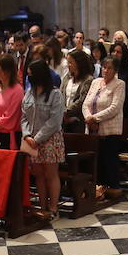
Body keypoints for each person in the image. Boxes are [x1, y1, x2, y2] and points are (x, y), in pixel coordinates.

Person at [21, 59, 66, 219]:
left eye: (31, 75)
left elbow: (54, 121)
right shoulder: (29, 93)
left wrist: (38, 138)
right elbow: (24, 116)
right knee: (38, 174)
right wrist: (26, 135)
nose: (29, 77)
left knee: (50, 174)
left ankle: (53, 207)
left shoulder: (55, 94)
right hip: (31, 140)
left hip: (50, 140)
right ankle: (42, 206)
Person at [84, 57, 127, 196]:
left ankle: (111, 186)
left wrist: (95, 118)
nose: (106, 70)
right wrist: (88, 118)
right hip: (91, 128)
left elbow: (115, 107)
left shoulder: (119, 84)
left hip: (109, 129)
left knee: (108, 159)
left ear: (115, 71)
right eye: (104, 67)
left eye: (109, 68)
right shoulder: (96, 82)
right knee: (96, 159)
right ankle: (97, 186)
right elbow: (86, 104)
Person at [61, 49, 95, 131]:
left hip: (78, 120)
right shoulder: (67, 78)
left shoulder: (88, 80)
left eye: (71, 62)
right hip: (63, 120)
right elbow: (61, 94)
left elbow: (82, 100)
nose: (68, 65)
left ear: (79, 63)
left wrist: (66, 112)